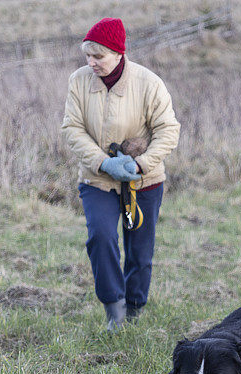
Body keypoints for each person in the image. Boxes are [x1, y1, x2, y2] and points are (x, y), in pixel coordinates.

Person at [61, 17, 180, 331]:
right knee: (101, 238)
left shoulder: (148, 82)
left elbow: (168, 131)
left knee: (140, 251)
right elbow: (72, 129)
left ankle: (135, 309)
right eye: (88, 55)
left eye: (98, 56)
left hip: (145, 181)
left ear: (118, 53)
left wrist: (140, 165)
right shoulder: (79, 80)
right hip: (97, 179)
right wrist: (104, 162)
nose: (91, 62)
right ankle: (114, 310)